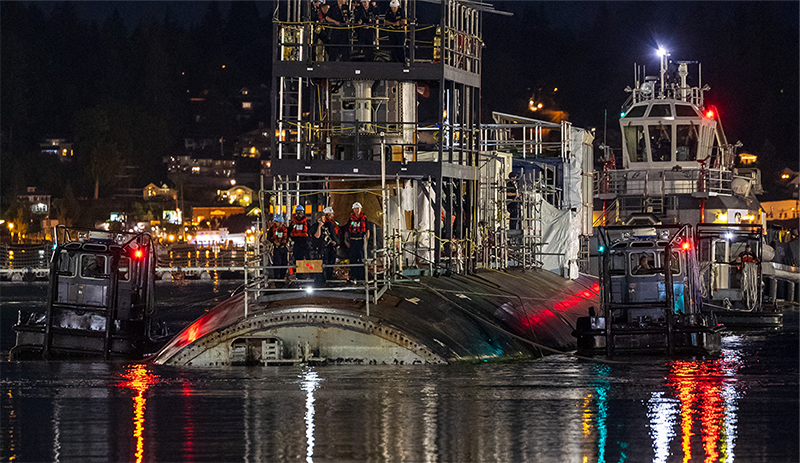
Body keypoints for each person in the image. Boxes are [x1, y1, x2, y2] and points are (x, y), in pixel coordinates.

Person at [312, 206, 339, 282]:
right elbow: (317, 236)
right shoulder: (315, 227)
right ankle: (319, 280)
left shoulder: (326, 226)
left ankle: (326, 278)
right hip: (318, 249)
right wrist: (319, 226)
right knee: (320, 265)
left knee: (326, 264)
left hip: (325, 248)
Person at [344, 201, 370, 281]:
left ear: (361, 209)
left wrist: (366, 242)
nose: (356, 210)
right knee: (352, 260)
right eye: (355, 209)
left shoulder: (364, 219)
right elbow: (347, 230)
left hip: (360, 241)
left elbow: (367, 231)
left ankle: (362, 276)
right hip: (352, 242)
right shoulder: (350, 219)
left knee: (361, 259)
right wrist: (346, 240)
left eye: (358, 208)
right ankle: (353, 276)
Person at [267, 214, 289, 281]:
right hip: (276, 248)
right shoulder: (272, 229)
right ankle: (277, 279)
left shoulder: (285, 229)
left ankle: (282, 278)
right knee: (277, 264)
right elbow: (268, 237)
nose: (278, 223)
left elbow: (287, 237)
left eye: (279, 222)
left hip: (283, 248)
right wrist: (274, 241)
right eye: (276, 222)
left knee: (284, 263)